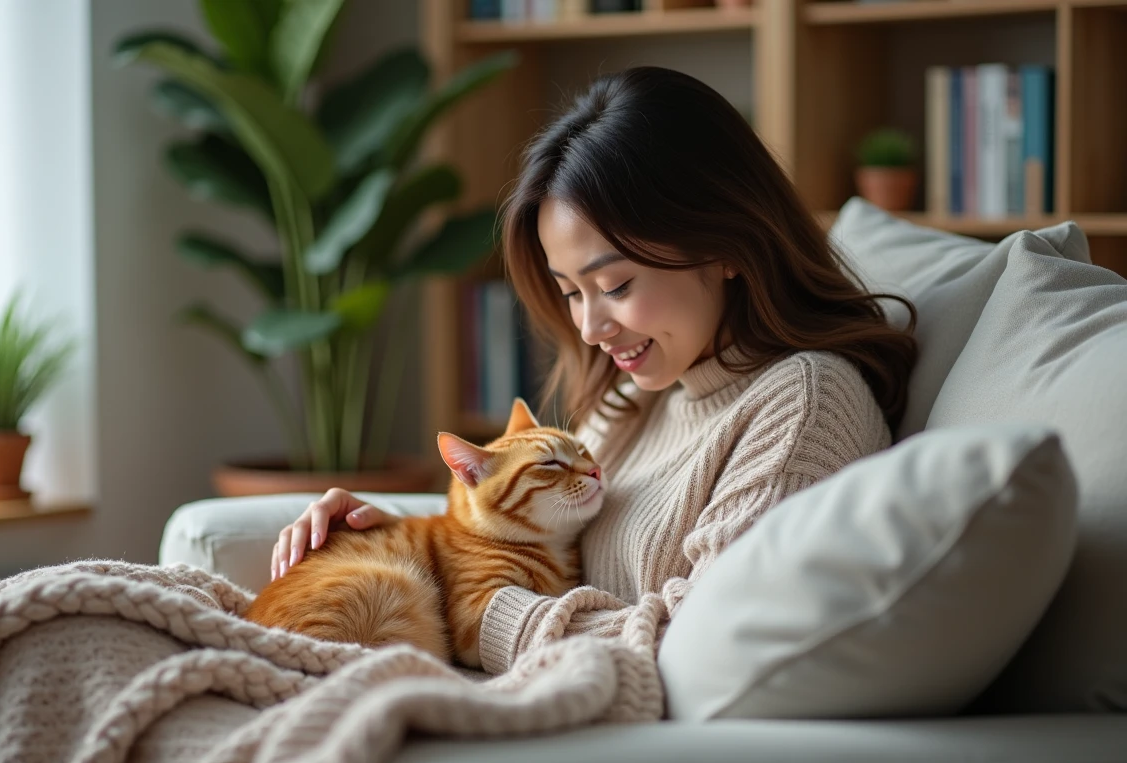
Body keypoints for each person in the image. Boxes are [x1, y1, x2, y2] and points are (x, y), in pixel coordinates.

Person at [270, 66, 917, 675]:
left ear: (723, 245)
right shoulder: (642, 391)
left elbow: (705, 649)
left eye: (615, 284)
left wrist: (481, 612)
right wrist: (415, 551)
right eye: (571, 292)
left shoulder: (803, 403)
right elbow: (542, 545)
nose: (588, 328)